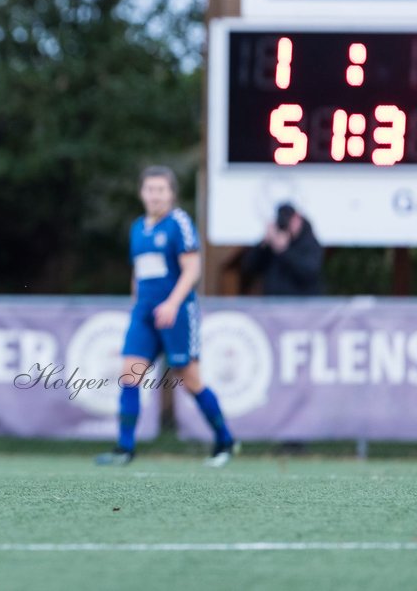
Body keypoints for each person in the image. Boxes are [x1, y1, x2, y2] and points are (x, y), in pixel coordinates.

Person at [96, 165, 235, 467]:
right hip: (145, 313)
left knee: (190, 380)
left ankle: (224, 440)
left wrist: (172, 303)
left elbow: (192, 269)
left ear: (171, 194)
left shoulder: (179, 223)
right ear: (141, 193)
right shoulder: (138, 228)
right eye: (150, 189)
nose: (155, 195)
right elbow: (140, 272)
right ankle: (125, 448)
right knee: (129, 374)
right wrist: (138, 303)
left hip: (178, 313)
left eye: (161, 190)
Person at [240, 202, 324, 296]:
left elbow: (309, 272)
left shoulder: (309, 242)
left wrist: (284, 251)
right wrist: (263, 244)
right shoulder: (271, 244)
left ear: (297, 219)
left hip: (301, 304)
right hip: (272, 303)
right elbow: (249, 267)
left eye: (289, 220)